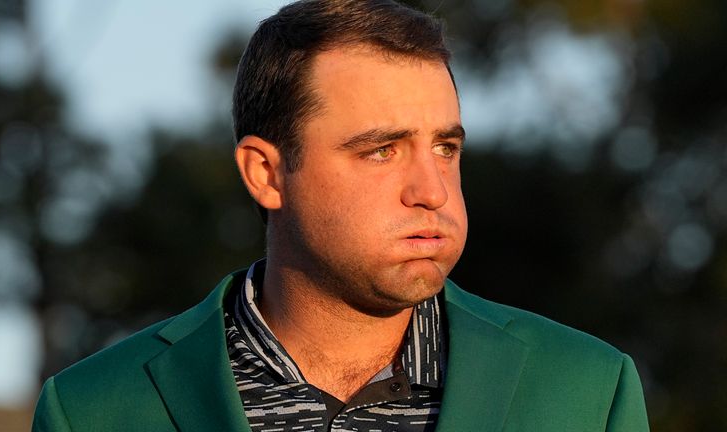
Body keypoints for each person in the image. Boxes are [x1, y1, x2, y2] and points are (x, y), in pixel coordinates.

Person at [32, 0, 650, 431]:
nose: (432, 189)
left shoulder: (587, 391)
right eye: (382, 150)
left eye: (445, 147)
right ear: (266, 174)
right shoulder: (93, 409)